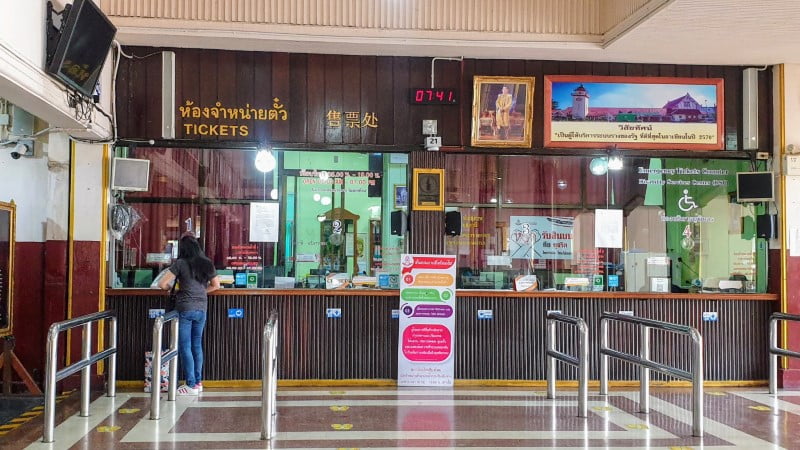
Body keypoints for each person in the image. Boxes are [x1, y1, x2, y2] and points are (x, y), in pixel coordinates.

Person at [158, 233, 220, 395]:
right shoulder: (207, 263)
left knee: (185, 346)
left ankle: (190, 384)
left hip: (185, 308)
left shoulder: (180, 263)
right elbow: (216, 285)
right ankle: (198, 383)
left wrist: (177, 290)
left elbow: (162, 283)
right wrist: (201, 292)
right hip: (202, 309)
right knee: (197, 345)